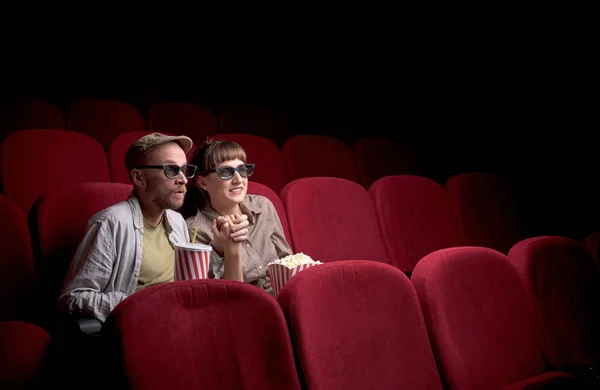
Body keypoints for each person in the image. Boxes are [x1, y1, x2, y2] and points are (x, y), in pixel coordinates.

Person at [57, 132, 243, 323]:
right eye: (171, 170)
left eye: (184, 170)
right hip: (143, 328)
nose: (183, 180)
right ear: (139, 178)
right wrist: (141, 303)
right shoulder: (111, 223)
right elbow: (72, 299)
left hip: (183, 322)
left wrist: (221, 249)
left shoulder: (177, 221)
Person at [185, 138, 292, 295]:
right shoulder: (194, 230)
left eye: (242, 170)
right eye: (226, 172)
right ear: (202, 182)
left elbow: (288, 261)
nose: (238, 180)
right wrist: (226, 249)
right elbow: (226, 296)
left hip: (282, 296)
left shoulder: (264, 206)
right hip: (244, 304)